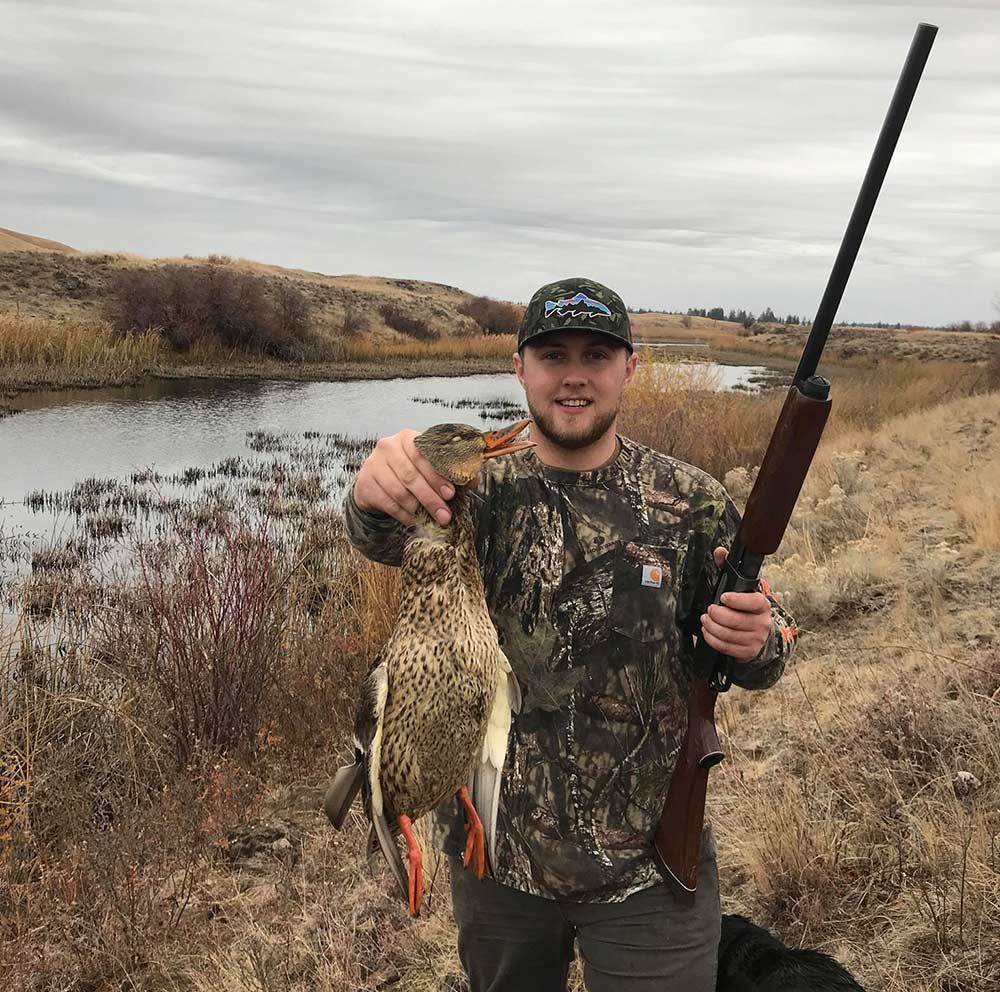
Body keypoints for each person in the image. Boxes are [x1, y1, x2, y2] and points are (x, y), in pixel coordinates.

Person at [342, 277, 797, 992]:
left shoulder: (691, 501)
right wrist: (374, 484)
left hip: (652, 871)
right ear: (520, 368)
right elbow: (377, 529)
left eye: (597, 354)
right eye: (554, 355)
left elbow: (772, 639)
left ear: (629, 369)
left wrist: (758, 640)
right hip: (496, 865)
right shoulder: (470, 496)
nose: (575, 375)